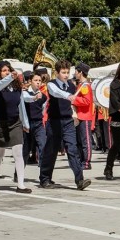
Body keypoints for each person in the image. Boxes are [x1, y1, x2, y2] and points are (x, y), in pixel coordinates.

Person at [41, 59, 91, 191]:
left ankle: (79, 180)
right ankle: (45, 178)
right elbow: (55, 93)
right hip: (54, 121)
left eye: (68, 72)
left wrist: (74, 114)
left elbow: (74, 103)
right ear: (57, 72)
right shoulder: (51, 84)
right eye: (63, 72)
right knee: (51, 150)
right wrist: (68, 96)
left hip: (68, 121)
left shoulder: (71, 85)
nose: (66, 75)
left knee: (72, 149)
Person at [0, 61, 30, 193]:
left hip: (15, 122)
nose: (7, 72)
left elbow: (21, 105)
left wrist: (25, 123)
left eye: (8, 70)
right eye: (4, 70)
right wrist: (9, 77)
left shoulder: (17, 88)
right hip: (0, 123)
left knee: (18, 153)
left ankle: (21, 184)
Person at [72, 62, 95, 171]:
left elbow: (86, 101)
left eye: (76, 71)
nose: (75, 73)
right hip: (80, 116)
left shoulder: (85, 86)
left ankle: (86, 161)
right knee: (80, 141)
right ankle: (82, 160)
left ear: (80, 72)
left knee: (86, 140)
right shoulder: (80, 85)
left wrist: (74, 99)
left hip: (85, 116)